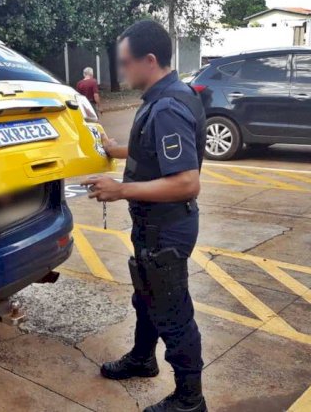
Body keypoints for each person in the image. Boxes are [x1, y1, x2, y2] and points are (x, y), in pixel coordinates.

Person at [81, 20, 207, 412]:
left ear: (149, 60)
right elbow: (150, 151)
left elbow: (187, 181)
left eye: (125, 63)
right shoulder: (165, 96)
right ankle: (142, 358)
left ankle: (190, 400)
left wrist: (120, 190)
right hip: (154, 226)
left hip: (167, 228)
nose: (122, 72)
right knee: (147, 297)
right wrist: (115, 149)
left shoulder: (167, 106)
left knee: (173, 312)